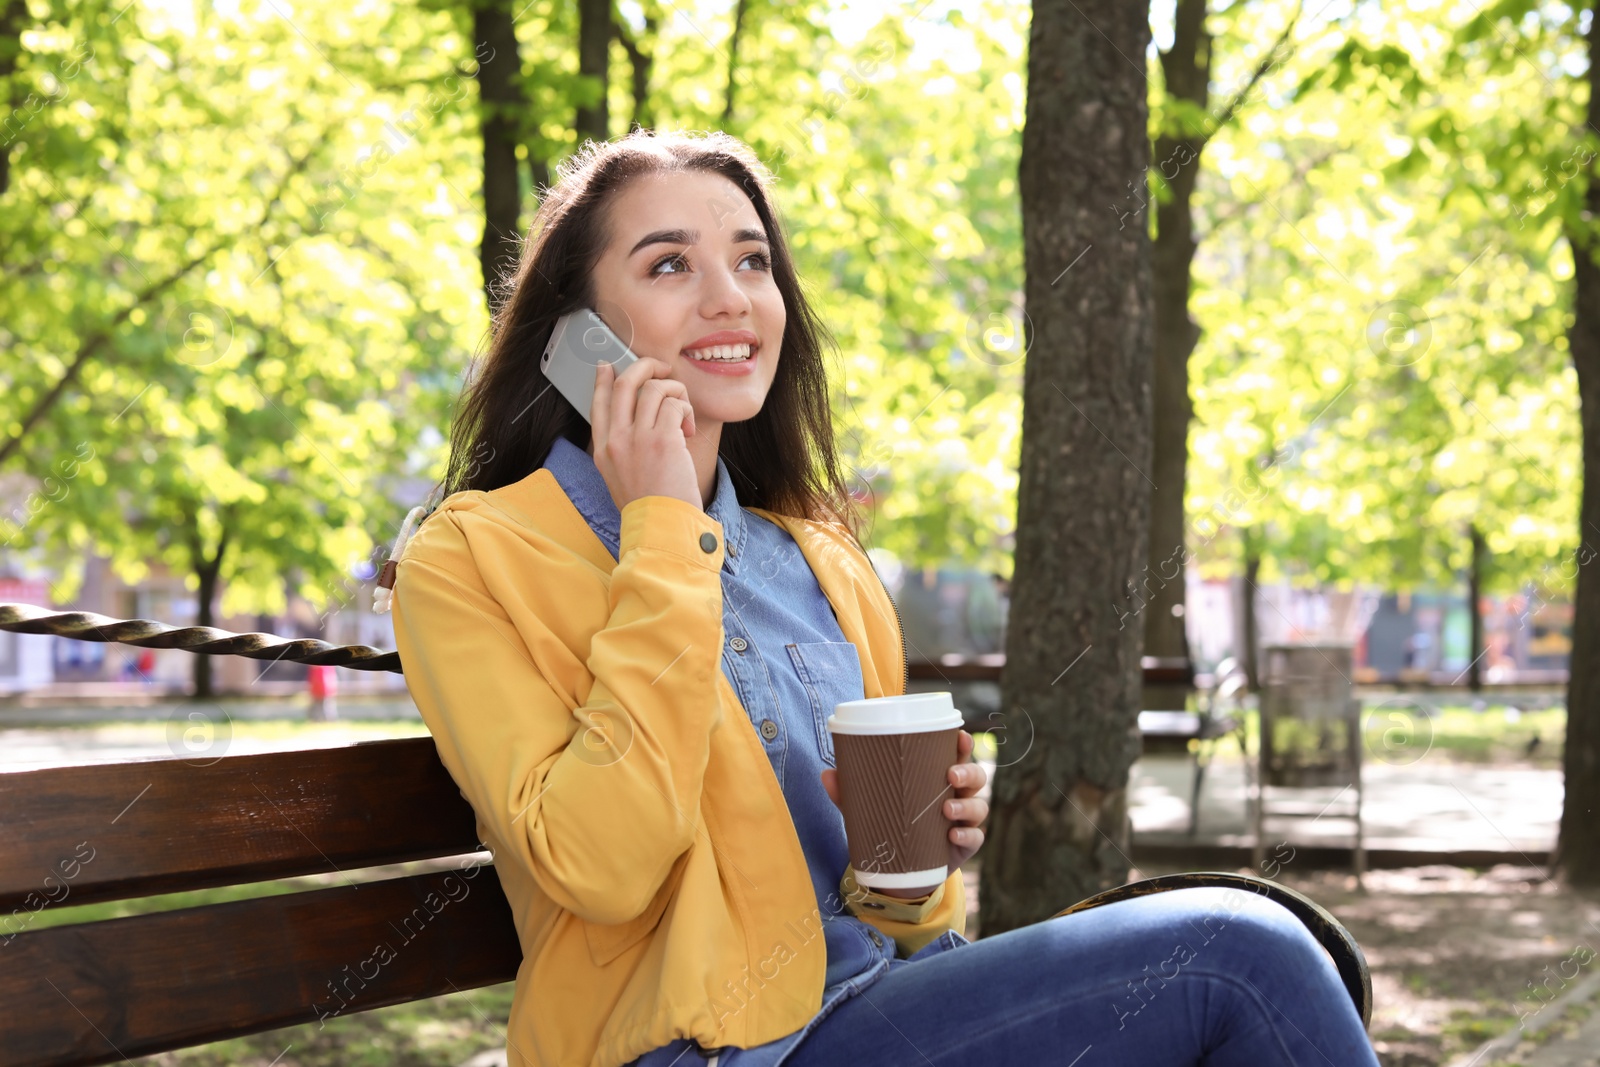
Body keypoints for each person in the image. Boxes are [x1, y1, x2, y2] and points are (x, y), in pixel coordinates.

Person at [387, 130, 1378, 1067]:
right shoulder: (472, 559)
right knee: (1241, 955)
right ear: (579, 333)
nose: (731, 298)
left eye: (752, 261)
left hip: (870, 1013)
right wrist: (658, 528)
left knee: (1303, 959)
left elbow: (908, 919)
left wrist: (916, 855)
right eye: (668, 265)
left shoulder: (815, 559)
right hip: (702, 1048)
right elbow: (603, 866)